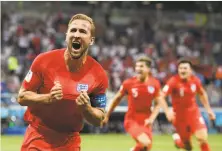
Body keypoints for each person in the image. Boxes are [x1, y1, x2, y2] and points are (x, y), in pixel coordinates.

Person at [17, 14, 108, 151]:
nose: (77, 35)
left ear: (91, 40)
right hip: (38, 137)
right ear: (66, 36)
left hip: (69, 142)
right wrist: (47, 98)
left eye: (83, 31)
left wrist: (87, 108)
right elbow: (22, 97)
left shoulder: (98, 74)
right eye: (73, 30)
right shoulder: (43, 61)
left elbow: (99, 118)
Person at [102, 56, 163, 151]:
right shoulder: (128, 83)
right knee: (145, 143)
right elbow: (116, 99)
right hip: (132, 120)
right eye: (137, 66)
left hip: (146, 121)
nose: (138, 69)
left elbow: (158, 104)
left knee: (146, 147)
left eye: (141, 66)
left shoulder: (155, 83)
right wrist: (107, 115)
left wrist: (151, 119)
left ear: (148, 69)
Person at [161, 59, 216, 151]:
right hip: (179, 117)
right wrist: (167, 111)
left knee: (202, 138)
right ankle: (177, 140)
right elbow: (161, 96)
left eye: (185, 68)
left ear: (190, 70)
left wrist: (209, 110)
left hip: (194, 114)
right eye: (180, 68)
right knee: (187, 147)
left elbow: (202, 94)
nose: (182, 70)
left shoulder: (195, 80)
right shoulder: (173, 81)